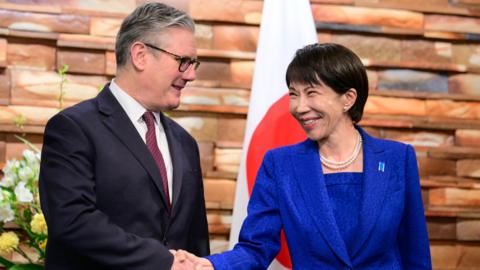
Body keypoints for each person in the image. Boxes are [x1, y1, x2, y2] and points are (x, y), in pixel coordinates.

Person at [180, 43, 431, 269]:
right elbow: (256, 248)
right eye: (293, 94)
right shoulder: (280, 165)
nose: (299, 107)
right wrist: (212, 266)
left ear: (348, 98)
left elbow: (415, 254)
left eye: (311, 93)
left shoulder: (399, 159)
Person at [39, 2, 209, 269]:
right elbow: (72, 220)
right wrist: (163, 262)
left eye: (194, 63)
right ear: (140, 55)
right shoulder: (73, 128)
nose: (192, 75)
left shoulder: (185, 142)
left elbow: (196, 238)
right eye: (183, 61)